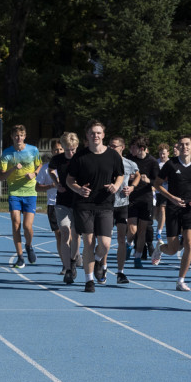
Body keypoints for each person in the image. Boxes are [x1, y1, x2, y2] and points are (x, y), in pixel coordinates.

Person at [65, 120, 124, 293]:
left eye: (98, 133)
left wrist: (116, 186)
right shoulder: (80, 156)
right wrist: (78, 189)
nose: (95, 136)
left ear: (103, 135)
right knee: (88, 242)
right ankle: (89, 280)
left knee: (105, 244)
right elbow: (69, 180)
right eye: (92, 133)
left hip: (105, 204)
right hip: (84, 204)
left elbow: (119, 175)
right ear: (87, 136)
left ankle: (98, 260)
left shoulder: (113, 155)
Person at [152, 135, 191, 291]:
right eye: (182, 144)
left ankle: (181, 280)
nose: (185, 147)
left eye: (187, 144)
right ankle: (160, 248)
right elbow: (157, 184)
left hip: (190, 207)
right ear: (178, 146)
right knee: (174, 249)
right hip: (173, 207)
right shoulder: (170, 164)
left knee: (189, 243)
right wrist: (172, 198)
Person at [0, 124, 42, 268]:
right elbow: (1, 177)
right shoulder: (7, 153)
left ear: (25, 136)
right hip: (14, 192)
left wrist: (34, 174)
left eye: (21, 135)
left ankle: (29, 246)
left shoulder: (33, 150)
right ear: (12, 137)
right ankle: (20, 256)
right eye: (16, 135)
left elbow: (39, 165)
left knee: (27, 226)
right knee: (15, 223)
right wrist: (12, 169)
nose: (19, 138)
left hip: (30, 192)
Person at [49, 132, 82, 283]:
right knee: (64, 232)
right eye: (67, 149)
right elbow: (50, 170)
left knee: (76, 234)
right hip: (62, 200)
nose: (70, 152)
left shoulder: (81, 158)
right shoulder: (57, 159)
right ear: (62, 147)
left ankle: (74, 261)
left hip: (78, 201)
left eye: (73, 149)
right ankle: (67, 268)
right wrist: (56, 183)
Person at [108, 136, 139, 284]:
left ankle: (120, 272)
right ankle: (102, 265)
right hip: (106, 205)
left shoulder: (129, 164)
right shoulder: (104, 161)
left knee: (121, 239)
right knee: (105, 240)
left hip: (122, 204)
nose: (112, 149)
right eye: (110, 146)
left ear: (122, 147)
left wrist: (132, 187)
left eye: (115, 146)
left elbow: (138, 174)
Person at [127, 135, 159, 269]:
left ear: (141, 148)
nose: (130, 150)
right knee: (132, 229)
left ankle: (138, 257)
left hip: (146, 199)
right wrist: (129, 178)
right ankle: (129, 245)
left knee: (142, 230)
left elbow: (159, 182)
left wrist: (148, 181)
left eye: (133, 147)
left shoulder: (152, 162)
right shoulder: (129, 160)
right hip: (131, 198)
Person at [36, 138, 63, 266]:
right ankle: (65, 264)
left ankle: (73, 256)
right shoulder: (46, 168)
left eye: (61, 149)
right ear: (52, 151)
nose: (58, 151)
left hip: (69, 204)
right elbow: (37, 187)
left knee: (72, 234)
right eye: (56, 149)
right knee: (59, 235)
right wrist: (51, 185)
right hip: (53, 204)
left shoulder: (71, 165)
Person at [153, 143, 171, 242]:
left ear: (168, 153)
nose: (162, 155)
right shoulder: (156, 163)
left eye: (164, 153)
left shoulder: (171, 163)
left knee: (163, 210)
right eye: (160, 153)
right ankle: (160, 223)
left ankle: (158, 232)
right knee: (155, 214)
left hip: (166, 191)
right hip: (157, 191)